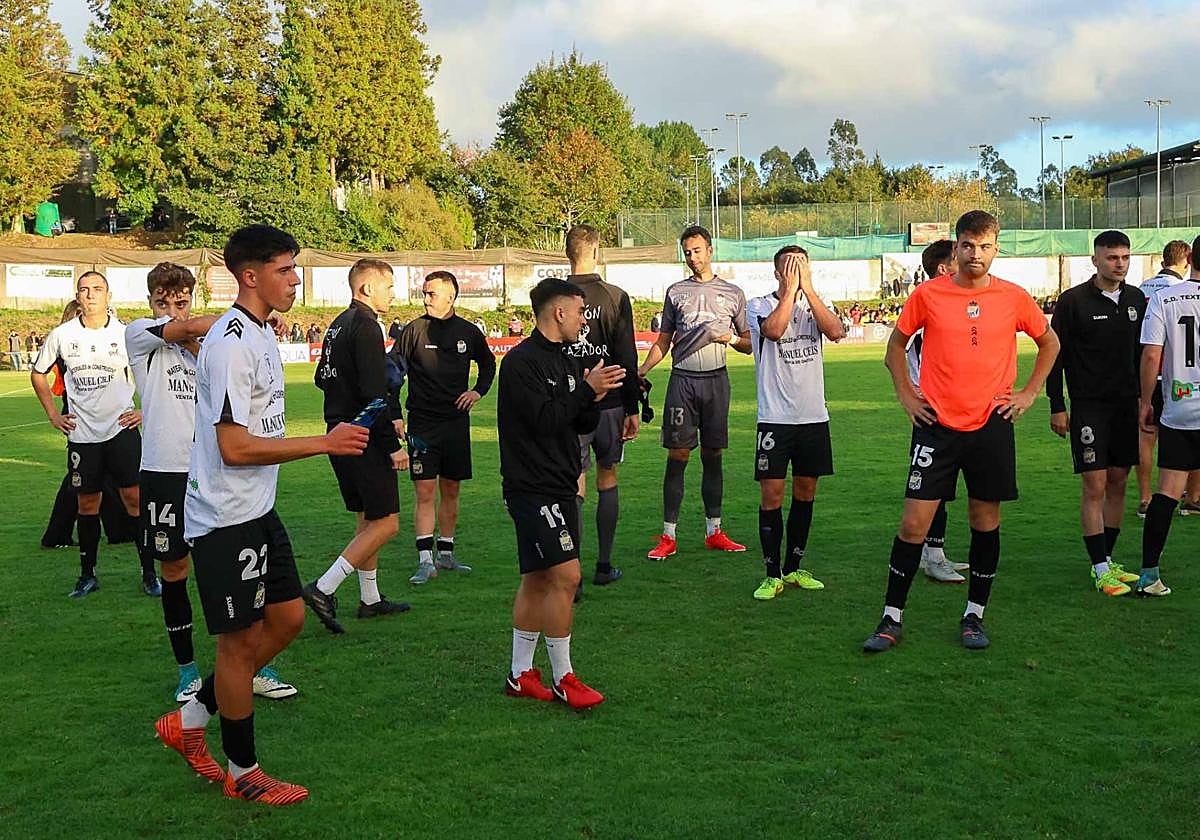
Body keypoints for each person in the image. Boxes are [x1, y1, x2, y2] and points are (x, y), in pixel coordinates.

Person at [154, 225, 369, 805]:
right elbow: (234, 447)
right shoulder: (228, 343)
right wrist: (325, 442)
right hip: (224, 517)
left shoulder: (260, 334)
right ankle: (242, 772)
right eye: (284, 270)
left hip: (257, 510)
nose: (295, 280)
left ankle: (191, 718)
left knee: (289, 619)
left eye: (294, 269)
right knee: (236, 646)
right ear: (249, 276)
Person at [861, 210, 1060, 653]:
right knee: (914, 523)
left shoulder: (1014, 297)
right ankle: (891, 618)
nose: (975, 254)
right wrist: (907, 395)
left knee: (984, 521)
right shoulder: (928, 294)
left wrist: (1029, 393)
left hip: (991, 424)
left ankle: (975, 614)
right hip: (937, 425)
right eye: (967, 245)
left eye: (984, 246)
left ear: (996, 248)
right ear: (956, 247)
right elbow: (895, 347)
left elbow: (1050, 343)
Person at [127, 262, 298, 702]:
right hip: (165, 470)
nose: (173, 312)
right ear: (151, 303)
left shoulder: (214, 345)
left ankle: (251, 665)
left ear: (192, 297)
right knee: (175, 568)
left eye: (181, 302)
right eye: (163, 302)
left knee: (245, 571)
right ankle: (186, 670)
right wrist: (250, 315)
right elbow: (184, 329)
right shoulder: (140, 335)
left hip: (209, 472)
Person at [498, 277, 624, 708]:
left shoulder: (569, 360)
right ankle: (564, 677)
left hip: (559, 482)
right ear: (558, 313)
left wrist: (595, 395)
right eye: (580, 312)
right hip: (532, 488)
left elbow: (579, 424)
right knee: (567, 577)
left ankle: (519, 675)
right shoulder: (519, 364)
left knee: (536, 578)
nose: (583, 319)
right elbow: (545, 421)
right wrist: (586, 390)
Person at [31, 271, 156, 598]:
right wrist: (53, 415)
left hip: (122, 431)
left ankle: (149, 573)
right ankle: (87, 575)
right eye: (84, 290)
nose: (90, 295)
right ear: (77, 295)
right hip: (83, 436)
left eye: (97, 289)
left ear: (108, 295)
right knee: (88, 504)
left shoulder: (127, 333)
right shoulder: (62, 334)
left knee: (135, 500)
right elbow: (38, 374)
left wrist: (146, 410)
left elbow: (153, 374)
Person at [304, 259, 411, 633]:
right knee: (388, 523)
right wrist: (391, 445)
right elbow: (373, 393)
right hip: (362, 434)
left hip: (339, 429)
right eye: (389, 286)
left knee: (367, 516)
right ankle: (323, 587)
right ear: (366, 288)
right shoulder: (366, 325)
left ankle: (370, 599)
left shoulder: (337, 324)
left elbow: (321, 378)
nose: (393, 294)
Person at [639, 225, 750, 559]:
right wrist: (642, 371)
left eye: (697, 250)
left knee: (713, 456)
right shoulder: (675, 292)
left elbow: (748, 343)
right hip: (683, 382)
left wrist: (728, 338)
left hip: (716, 381)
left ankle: (714, 531)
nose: (692, 257)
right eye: (687, 252)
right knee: (678, 457)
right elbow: (663, 341)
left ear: (710, 250)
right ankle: (668, 536)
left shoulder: (733, 293)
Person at [1046, 231, 1146, 597]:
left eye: (1124, 257)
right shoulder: (1073, 303)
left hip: (1126, 405)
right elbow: (1053, 357)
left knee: (1120, 479)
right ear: (1095, 260)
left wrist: (1148, 399)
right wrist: (1058, 404)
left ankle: (1109, 559)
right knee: (1095, 484)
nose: (1120, 264)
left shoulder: (1137, 299)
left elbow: (1145, 355)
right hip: (1089, 407)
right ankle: (1099, 567)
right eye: (1112, 258)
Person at [747, 247, 845, 601]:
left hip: (813, 417)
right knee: (772, 494)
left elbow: (835, 331)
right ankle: (772, 573)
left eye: (803, 266)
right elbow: (773, 331)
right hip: (775, 418)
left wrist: (809, 290)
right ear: (778, 272)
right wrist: (790, 291)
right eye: (791, 268)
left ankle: (795, 566)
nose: (798, 272)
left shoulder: (819, 303)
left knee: (806, 493)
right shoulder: (759, 304)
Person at [390, 270, 496, 584]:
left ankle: (446, 554)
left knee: (451, 490)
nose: (426, 299)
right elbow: (392, 373)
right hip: (422, 422)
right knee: (424, 491)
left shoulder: (468, 332)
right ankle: (425, 560)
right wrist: (395, 413)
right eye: (424, 293)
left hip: (455, 423)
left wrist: (477, 391)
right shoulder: (413, 330)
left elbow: (488, 363)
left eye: (431, 294)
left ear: (450, 297)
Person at [563, 224, 640, 593]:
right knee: (607, 478)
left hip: (569, 404)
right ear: (597, 251)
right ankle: (604, 566)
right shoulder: (615, 296)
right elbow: (626, 355)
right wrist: (632, 406)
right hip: (609, 403)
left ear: (567, 253)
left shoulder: (554, 296)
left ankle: (571, 576)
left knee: (573, 485)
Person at [1135, 234, 1200, 597]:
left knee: (1168, 492)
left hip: (1180, 408)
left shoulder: (1164, 298)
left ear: (1191, 257)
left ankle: (1149, 575)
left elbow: (1150, 356)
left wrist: (1146, 401)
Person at [905, 240, 970, 583]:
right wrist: (913, 393)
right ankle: (932, 557)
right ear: (945, 268)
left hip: (955, 405)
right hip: (933, 409)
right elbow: (901, 349)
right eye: (958, 257)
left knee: (942, 487)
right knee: (933, 486)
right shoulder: (928, 301)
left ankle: (933, 553)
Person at [1135, 241, 1196, 516]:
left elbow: (1147, 349)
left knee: (1146, 439)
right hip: (1182, 377)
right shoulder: (1178, 291)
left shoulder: (1143, 289)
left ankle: (1146, 497)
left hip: (1158, 376)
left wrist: (1144, 398)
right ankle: (1193, 495)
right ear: (1185, 260)